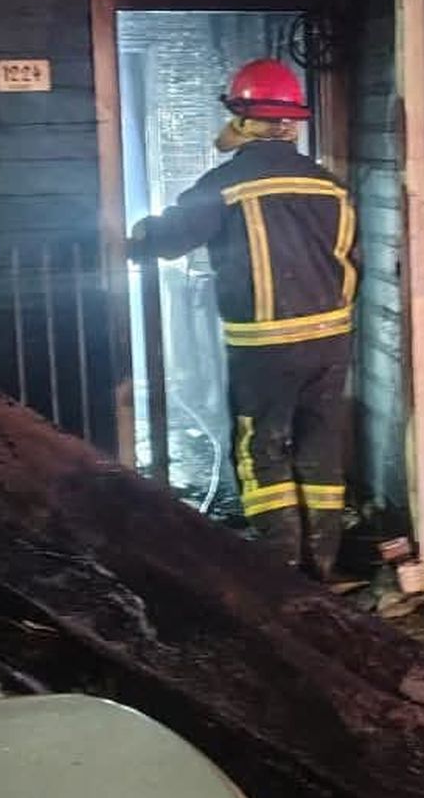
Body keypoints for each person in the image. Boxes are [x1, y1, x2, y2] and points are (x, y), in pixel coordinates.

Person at [128, 58, 359, 580]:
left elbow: (169, 238)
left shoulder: (226, 184)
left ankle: (280, 570)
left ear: (243, 118)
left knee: (263, 447)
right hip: (331, 338)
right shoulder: (330, 186)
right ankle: (323, 567)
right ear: (290, 123)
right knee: (320, 442)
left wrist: (139, 238)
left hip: (264, 344)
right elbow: (352, 264)